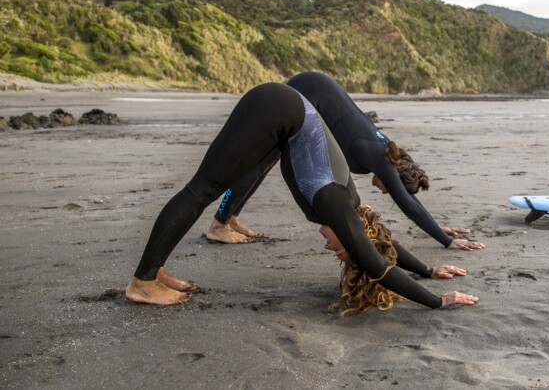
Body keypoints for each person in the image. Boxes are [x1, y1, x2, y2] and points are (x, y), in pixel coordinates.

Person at [125, 82, 478, 309]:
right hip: (277, 108)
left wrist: (429, 269)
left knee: (216, 186)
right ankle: (142, 282)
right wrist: (438, 301)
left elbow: (384, 244)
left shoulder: (351, 208)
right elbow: (376, 263)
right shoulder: (336, 205)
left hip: (283, 115)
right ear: (352, 234)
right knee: (201, 190)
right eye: (341, 250)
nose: (330, 250)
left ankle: (155, 272)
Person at [205, 71, 484, 251]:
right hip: (304, 91)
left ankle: (231, 217)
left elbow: (410, 200)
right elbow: (408, 205)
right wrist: (447, 240)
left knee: (267, 161)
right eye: (389, 187)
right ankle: (219, 226)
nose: (383, 190)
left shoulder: (386, 151)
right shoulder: (380, 158)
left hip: (315, 88)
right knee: (261, 161)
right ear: (395, 175)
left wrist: (437, 226)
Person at [325, 204, 469, 316]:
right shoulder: (337, 204)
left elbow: (381, 246)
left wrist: (429, 273)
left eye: (336, 249)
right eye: (337, 250)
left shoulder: (336, 205)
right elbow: (379, 262)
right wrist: (438, 300)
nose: (327, 246)